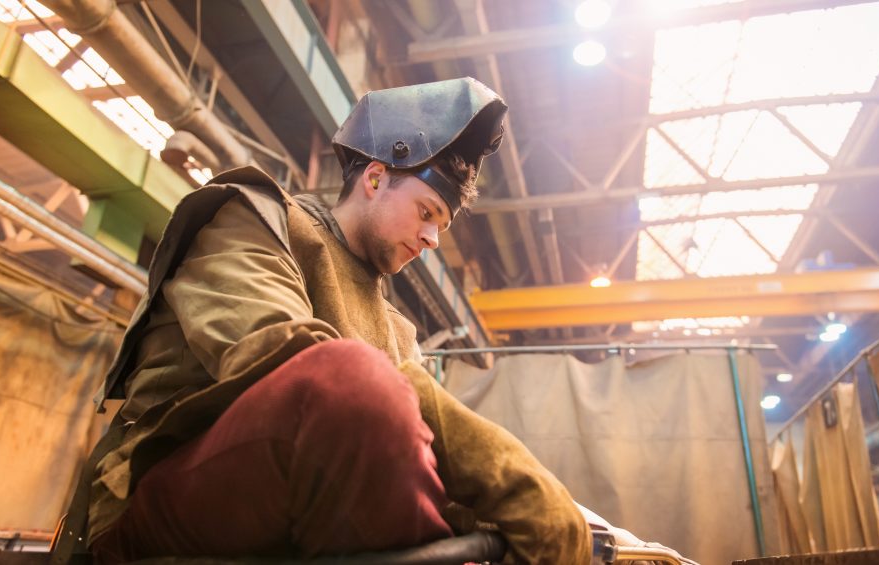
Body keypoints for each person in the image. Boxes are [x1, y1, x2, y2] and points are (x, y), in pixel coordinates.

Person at [68, 77, 595, 564]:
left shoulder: (397, 330)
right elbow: (280, 358)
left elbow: (420, 455)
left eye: (444, 226)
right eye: (429, 212)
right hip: (162, 500)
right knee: (352, 382)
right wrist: (512, 478)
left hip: (306, 509)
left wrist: (530, 517)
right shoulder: (254, 221)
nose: (434, 239)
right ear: (374, 177)